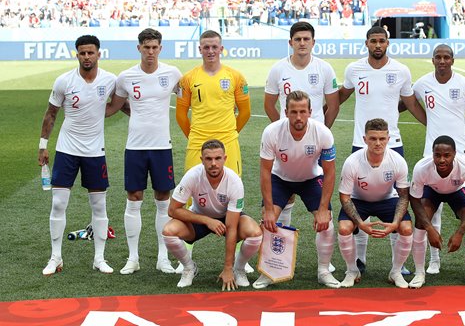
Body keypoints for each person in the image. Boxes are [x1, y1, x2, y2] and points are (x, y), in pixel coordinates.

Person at [338, 25, 426, 275]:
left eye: (382, 41)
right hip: (361, 141)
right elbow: (341, 95)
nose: (378, 45)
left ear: (388, 44)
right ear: (366, 44)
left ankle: (398, 264)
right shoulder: (354, 69)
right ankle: (359, 259)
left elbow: (411, 102)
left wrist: (432, 125)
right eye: (373, 41)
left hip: (393, 143)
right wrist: (321, 114)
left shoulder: (400, 70)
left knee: (396, 198)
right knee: (359, 197)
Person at [106, 28, 183, 275]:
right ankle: (133, 258)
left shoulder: (172, 74)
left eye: (154, 47)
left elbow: (189, 99)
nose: (150, 52)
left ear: (161, 48)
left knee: (163, 200)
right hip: (135, 146)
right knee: (134, 199)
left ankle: (163, 259)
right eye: (146, 47)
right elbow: (114, 107)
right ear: (138, 48)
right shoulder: (126, 77)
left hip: (162, 146)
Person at [38, 35, 116, 275]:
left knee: (99, 205)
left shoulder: (110, 80)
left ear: (98, 54)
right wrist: (43, 145)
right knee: (59, 203)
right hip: (66, 149)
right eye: (82, 53)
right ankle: (56, 258)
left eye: (90, 52)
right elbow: (51, 113)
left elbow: (123, 105)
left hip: (95, 151)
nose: (86, 57)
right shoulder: (64, 81)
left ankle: (99, 259)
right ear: (77, 54)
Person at [410, 43, 465, 275]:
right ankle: (434, 260)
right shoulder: (422, 84)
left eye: (446, 57)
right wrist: (427, 121)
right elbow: (406, 102)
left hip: (461, 156)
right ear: (432, 60)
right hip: (431, 156)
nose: (442, 61)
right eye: (438, 57)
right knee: (431, 213)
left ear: (453, 60)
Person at [253, 90, 340, 289]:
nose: (298, 117)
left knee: (327, 222)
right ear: (285, 112)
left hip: (311, 179)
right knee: (268, 222)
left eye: (303, 111)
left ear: (310, 111)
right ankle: (270, 271)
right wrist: (267, 209)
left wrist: (324, 208)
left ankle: (323, 271)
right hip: (280, 178)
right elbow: (265, 172)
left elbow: (330, 172)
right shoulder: (272, 132)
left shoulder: (323, 132)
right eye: (293, 112)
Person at [264, 20, 339, 227]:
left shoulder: (324, 68)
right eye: (298, 39)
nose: (302, 43)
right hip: (285, 142)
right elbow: (269, 105)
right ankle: (282, 255)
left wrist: (321, 133)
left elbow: (333, 105)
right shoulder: (278, 69)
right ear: (291, 42)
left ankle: (323, 259)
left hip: (315, 144)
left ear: (313, 42)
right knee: (285, 194)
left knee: (319, 192)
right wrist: (282, 130)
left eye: (306, 39)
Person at [162, 139, 262, 289]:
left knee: (255, 233)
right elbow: (172, 210)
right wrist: (207, 220)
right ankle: (189, 268)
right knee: (168, 231)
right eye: (208, 159)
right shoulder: (192, 176)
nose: (213, 163)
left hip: (227, 218)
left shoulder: (234, 182)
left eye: (218, 158)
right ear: (202, 160)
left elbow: (232, 226)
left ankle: (238, 269)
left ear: (225, 159)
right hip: (199, 218)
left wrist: (227, 268)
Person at [337, 118, 414, 288]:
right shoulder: (352, 162)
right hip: (358, 200)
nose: (377, 143)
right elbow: (344, 197)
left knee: (406, 228)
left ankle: (396, 271)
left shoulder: (398, 161)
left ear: (388, 138)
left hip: (387, 199)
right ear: (364, 139)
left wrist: (394, 224)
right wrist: (360, 224)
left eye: (382, 139)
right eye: (372, 138)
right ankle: (352, 270)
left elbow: (403, 196)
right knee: (344, 228)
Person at [408, 135, 465, 289]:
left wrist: (460, 232)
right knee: (421, 223)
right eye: (437, 155)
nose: (442, 160)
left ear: (455, 154)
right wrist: (430, 229)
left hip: (456, 190)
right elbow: (414, 200)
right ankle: (419, 273)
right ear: (432, 154)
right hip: (432, 190)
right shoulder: (421, 167)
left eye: (447, 155)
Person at [176, 30, 250, 175]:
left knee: (231, 188)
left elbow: (245, 112)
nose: (211, 51)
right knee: (193, 189)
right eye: (206, 47)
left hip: (227, 140)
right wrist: (194, 135)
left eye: (214, 47)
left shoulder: (236, 77)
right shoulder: (187, 79)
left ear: (221, 49)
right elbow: (180, 115)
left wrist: (231, 132)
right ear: (200, 49)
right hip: (198, 141)